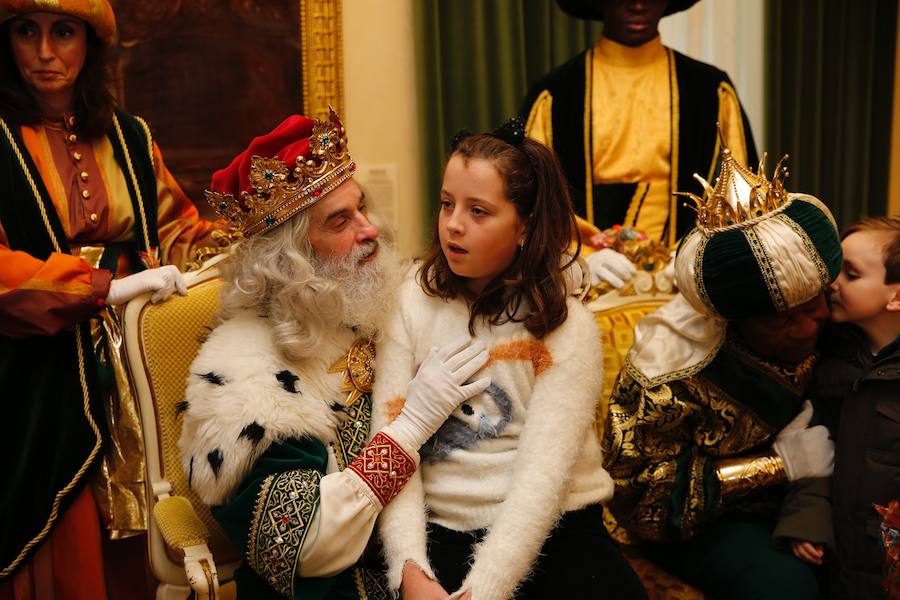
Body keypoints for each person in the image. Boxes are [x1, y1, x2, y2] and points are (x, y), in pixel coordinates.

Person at [178, 110, 492, 599]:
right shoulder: (245, 378)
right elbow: (304, 546)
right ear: (289, 259)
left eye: (362, 208)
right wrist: (408, 430)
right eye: (341, 221)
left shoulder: (376, 301)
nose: (370, 230)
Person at [0, 0, 224, 594]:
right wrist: (103, 287)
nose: (45, 53)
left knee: (142, 526)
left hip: (135, 369)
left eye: (64, 33)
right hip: (37, 374)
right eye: (27, 32)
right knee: (62, 532)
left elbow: (180, 232)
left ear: (90, 44)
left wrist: (255, 241)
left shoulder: (129, 135)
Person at [374, 118, 647, 600]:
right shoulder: (409, 302)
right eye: (446, 203)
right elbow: (392, 442)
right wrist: (410, 569)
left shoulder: (567, 325)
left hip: (554, 531)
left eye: (479, 211)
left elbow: (542, 479)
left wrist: (485, 590)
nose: (453, 224)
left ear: (525, 226)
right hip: (440, 536)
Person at [602, 145, 842, 600]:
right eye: (780, 321)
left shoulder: (839, 321)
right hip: (705, 523)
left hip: (810, 500)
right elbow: (639, 499)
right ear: (731, 321)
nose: (807, 327)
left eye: (814, 306)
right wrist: (777, 466)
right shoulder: (668, 371)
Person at [521, 0, 758, 287]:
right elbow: (529, 200)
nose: (638, 5)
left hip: (686, 289)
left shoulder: (709, 90)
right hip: (585, 287)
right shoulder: (556, 94)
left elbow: (744, 198)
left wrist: (699, 253)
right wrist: (574, 260)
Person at [774, 216, 900, 599]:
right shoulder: (831, 357)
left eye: (851, 274)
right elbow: (812, 447)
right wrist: (808, 519)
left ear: (896, 296)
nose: (832, 284)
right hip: (840, 560)